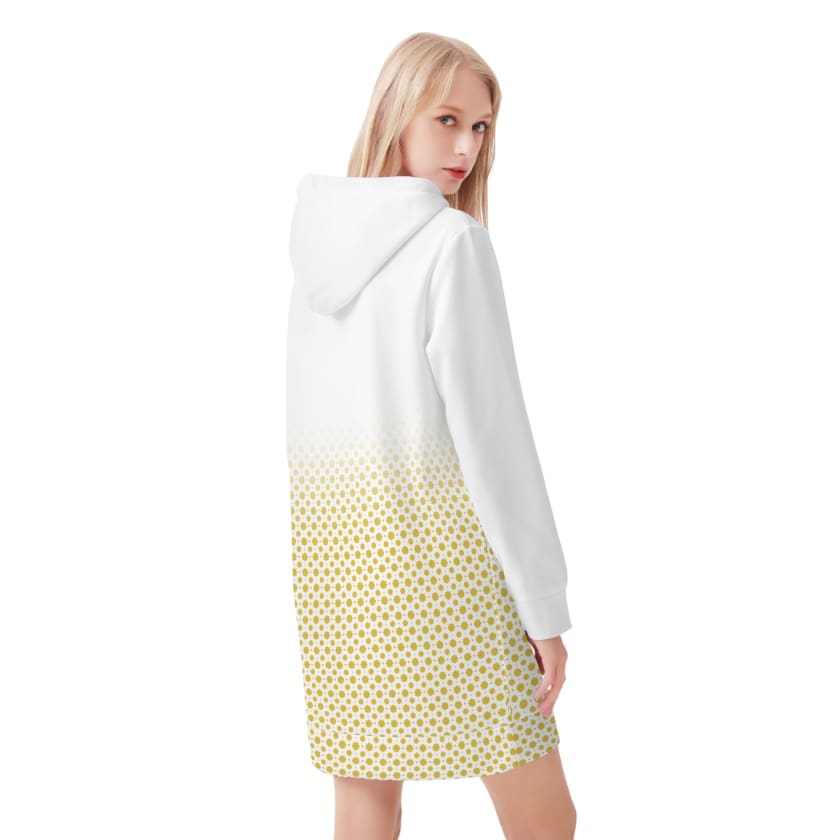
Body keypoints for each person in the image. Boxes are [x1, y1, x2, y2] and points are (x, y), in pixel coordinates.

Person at [287, 31, 576, 840]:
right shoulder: (452, 242)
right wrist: (543, 606)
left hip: (341, 577)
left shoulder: (315, 252)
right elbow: (494, 440)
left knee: (365, 805)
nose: (466, 147)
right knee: (546, 818)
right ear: (396, 112)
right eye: (447, 119)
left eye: (480, 127)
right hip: (449, 573)